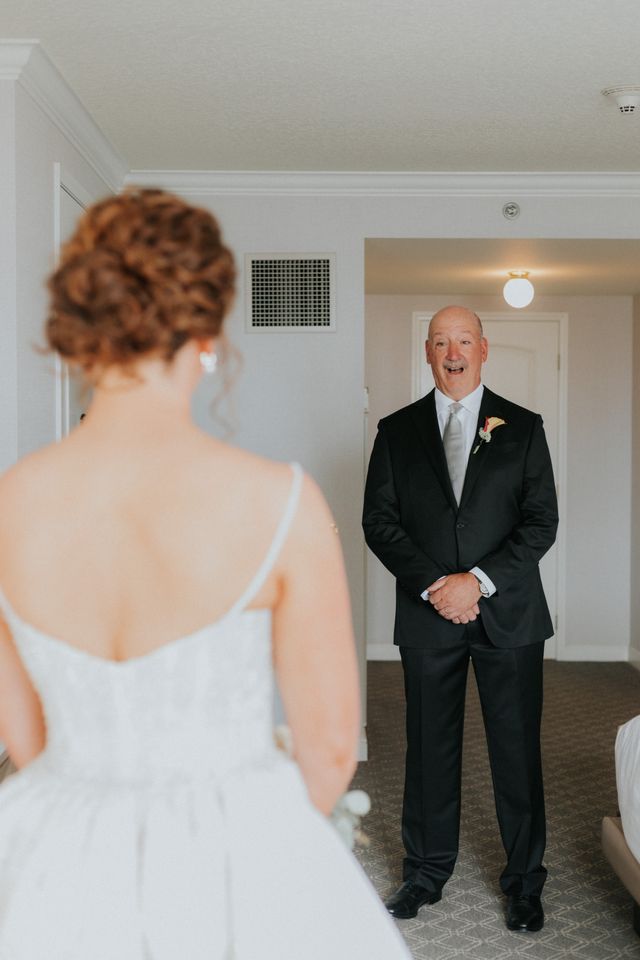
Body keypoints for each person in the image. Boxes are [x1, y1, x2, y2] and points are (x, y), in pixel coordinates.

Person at [0, 189, 410, 960]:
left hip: (60, 851)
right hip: (237, 850)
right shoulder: (278, 500)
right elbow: (329, 749)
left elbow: (24, 736)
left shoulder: (9, 505)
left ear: (80, 330)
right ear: (209, 333)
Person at [362, 305, 558, 933]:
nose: (453, 351)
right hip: (428, 618)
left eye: (464, 340)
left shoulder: (524, 429)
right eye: (441, 341)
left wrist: (476, 581)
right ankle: (423, 874)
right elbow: (379, 522)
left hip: (509, 616)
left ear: (484, 348)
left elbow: (540, 522)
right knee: (429, 749)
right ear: (427, 352)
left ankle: (525, 883)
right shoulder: (395, 432)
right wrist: (434, 587)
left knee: (516, 753)